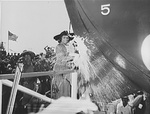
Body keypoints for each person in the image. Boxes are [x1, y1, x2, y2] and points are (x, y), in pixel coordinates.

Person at [52, 30, 75, 99]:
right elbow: (61, 58)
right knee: (61, 88)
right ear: (61, 38)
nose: (66, 39)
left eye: (67, 38)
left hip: (68, 68)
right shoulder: (59, 46)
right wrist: (72, 57)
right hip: (60, 68)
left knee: (68, 87)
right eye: (64, 37)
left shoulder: (70, 47)